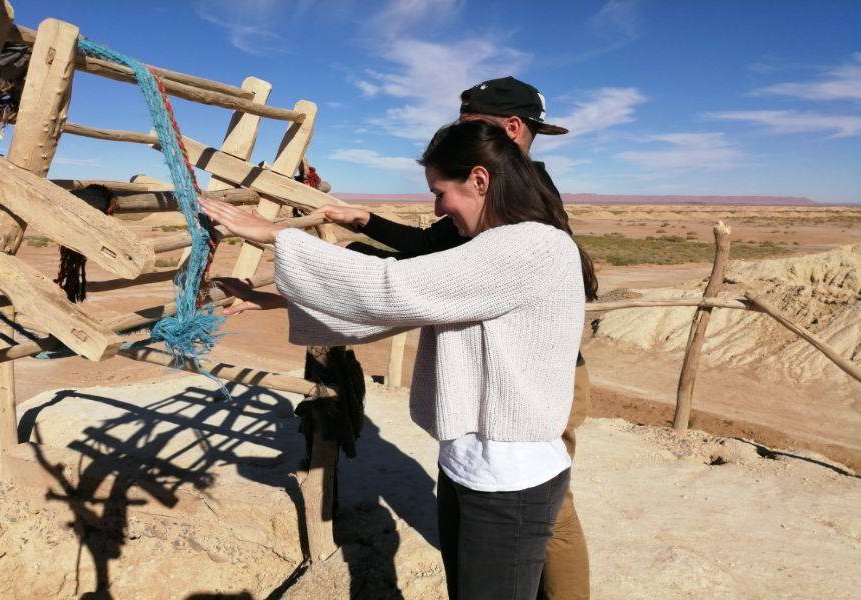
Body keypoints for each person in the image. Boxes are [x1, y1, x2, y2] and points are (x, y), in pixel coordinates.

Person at [199, 120, 596, 599]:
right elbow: (402, 306)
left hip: (509, 480)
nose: (437, 209)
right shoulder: (495, 248)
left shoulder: (530, 245)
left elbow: (394, 286)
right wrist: (277, 299)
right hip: (470, 466)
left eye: (439, 192)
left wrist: (275, 235)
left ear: (479, 180)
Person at [311, 76, 594, 599]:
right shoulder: (504, 198)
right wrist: (364, 225)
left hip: (532, 374)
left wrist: (342, 259)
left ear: (510, 129)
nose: (459, 136)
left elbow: (435, 269)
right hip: (509, 374)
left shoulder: (525, 209)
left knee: (547, 511)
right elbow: (433, 250)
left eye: (471, 127)